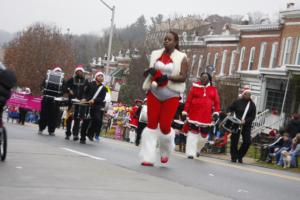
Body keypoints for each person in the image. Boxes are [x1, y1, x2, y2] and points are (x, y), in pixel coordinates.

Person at [139, 31, 188, 166]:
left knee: (165, 126)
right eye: (165, 39)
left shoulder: (181, 57)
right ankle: (147, 157)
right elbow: (151, 70)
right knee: (151, 125)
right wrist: (149, 71)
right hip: (154, 93)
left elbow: (183, 77)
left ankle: (165, 150)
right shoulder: (155, 54)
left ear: (175, 42)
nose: (166, 41)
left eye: (169, 39)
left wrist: (167, 77)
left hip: (171, 95)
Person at [182, 72, 220, 159]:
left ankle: (198, 148)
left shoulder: (213, 89)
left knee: (204, 136)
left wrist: (216, 113)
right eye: (202, 77)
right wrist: (185, 111)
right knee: (193, 133)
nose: (203, 79)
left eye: (205, 78)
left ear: (208, 79)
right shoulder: (194, 87)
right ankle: (190, 153)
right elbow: (188, 101)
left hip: (206, 117)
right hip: (194, 114)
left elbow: (217, 103)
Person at [227, 85, 256, 163]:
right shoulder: (237, 102)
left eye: (250, 94)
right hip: (236, 123)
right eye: (247, 94)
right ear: (243, 94)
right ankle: (234, 156)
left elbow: (253, 116)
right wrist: (229, 112)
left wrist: (245, 121)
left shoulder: (252, 105)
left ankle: (240, 155)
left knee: (247, 141)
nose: (249, 96)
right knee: (234, 141)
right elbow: (230, 108)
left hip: (246, 125)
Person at [80, 71, 107, 144]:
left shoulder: (103, 88)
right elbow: (85, 93)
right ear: (96, 77)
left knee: (97, 120)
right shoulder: (90, 84)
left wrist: (94, 100)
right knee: (86, 121)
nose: (101, 77)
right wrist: (84, 98)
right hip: (87, 105)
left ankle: (90, 133)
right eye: (99, 76)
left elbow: (102, 98)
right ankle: (82, 138)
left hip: (96, 106)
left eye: (102, 76)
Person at [38, 67, 65, 136]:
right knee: (44, 115)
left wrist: (61, 94)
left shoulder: (63, 80)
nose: (58, 72)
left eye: (59, 71)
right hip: (46, 99)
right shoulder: (47, 78)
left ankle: (51, 130)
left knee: (54, 117)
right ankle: (41, 128)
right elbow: (42, 86)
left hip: (56, 101)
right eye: (57, 71)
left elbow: (64, 89)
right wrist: (42, 90)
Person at [65, 65, 89, 141]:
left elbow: (88, 91)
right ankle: (68, 133)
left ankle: (75, 134)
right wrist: (69, 90)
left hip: (80, 102)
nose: (80, 72)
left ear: (83, 72)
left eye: (81, 71)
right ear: (76, 72)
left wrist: (85, 98)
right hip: (72, 102)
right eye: (78, 71)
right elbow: (65, 86)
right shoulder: (71, 79)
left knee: (77, 118)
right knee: (69, 118)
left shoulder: (86, 81)